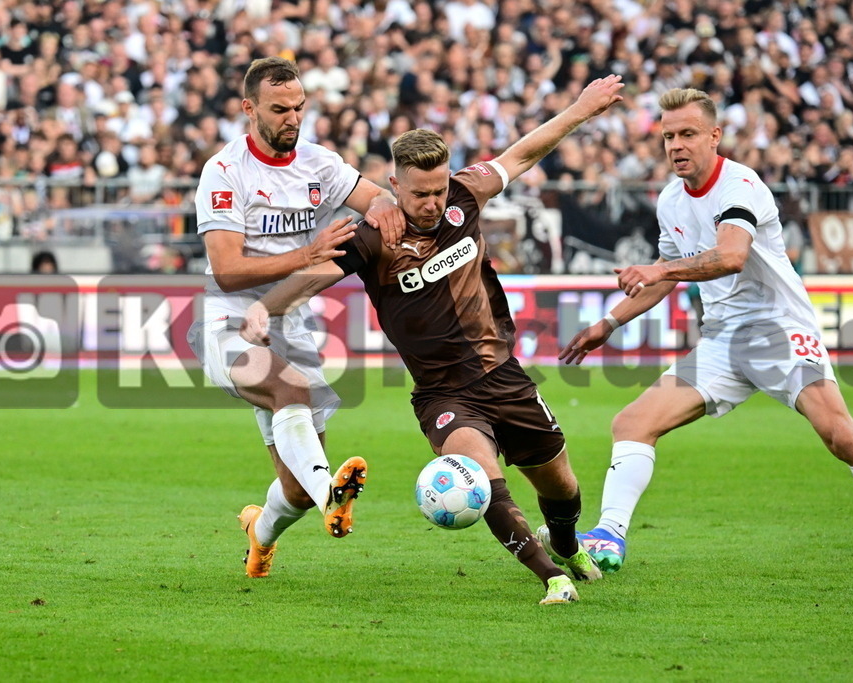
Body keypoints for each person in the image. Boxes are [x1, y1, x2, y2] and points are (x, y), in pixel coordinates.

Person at [240, 75, 626, 605]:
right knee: (484, 481)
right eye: (419, 192)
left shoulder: (465, 195)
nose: (432, 202)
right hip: (445, 395)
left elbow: (522, 154)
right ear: (394, 186)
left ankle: (564, 544)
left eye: (439, 190)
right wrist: (264, 307)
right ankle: (550, 577)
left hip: (504, 375)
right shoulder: (373, 238)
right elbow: (316, 274)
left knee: (561, 485)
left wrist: (580, 109)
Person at [559, 88, 853, 579]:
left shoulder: (740, 184)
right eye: (668, 135)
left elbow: (731, 255)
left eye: (688, 134)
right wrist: (606, 324)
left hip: (779, 330)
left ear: (714, 136)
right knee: (632, 423)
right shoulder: (670, 200)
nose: (676, 144)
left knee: (839, 434)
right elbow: (667, 271)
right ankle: (609, 535)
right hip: (722, 339)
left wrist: (660, 272)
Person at [186, 57, 405, 579]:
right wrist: (307, 255)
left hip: (290, 326)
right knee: (290, 392)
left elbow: (376, 199)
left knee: (294, 489)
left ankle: (259, 536)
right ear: (249, 108)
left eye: (299, 108)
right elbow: (227, 267)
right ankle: (332, 493)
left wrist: (386, 210)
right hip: (229, 323)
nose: (293, 118)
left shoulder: (319, 164)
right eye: (280, 109)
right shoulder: (224, 171)